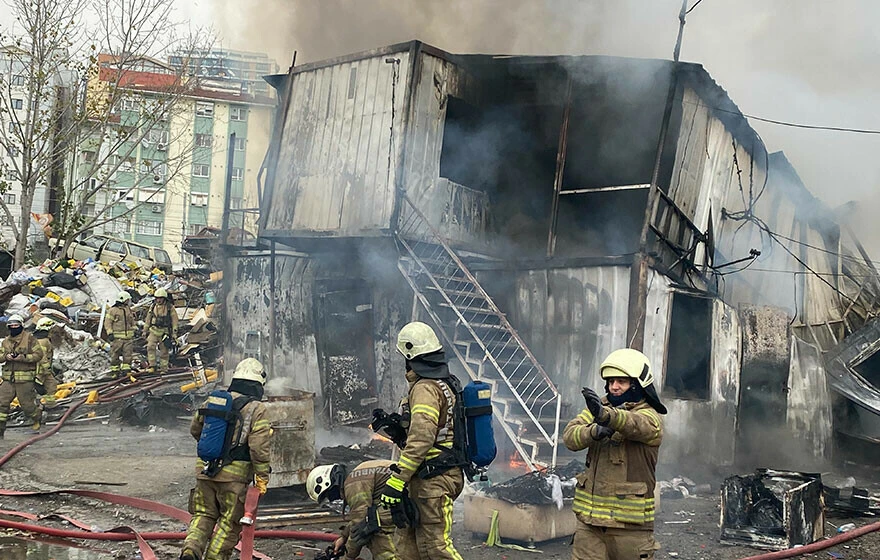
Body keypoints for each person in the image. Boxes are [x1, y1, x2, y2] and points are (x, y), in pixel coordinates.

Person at [563, 348, 666, 560]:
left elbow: (635, 424)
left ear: (636, 384)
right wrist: (594, 430)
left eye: (621, 381)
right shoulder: (598, 408)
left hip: (630, 528)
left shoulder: (650, 416)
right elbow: (570, 436)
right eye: (611, 381)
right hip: (589, 526)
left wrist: (607, 417)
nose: (614, 387)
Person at [386, 321, 464, 560]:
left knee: (435, 549)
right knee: (409, 547)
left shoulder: (425, 388)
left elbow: (422, 438)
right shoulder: (443, 384)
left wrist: (398, 479)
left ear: (410, 357)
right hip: (426, 478)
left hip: (434, 480)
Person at [180, 357, 272, 560]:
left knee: (203, 515)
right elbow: (259, 448)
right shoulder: (257, 408)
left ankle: (190, 551)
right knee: (229, 523)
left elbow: (195, 429)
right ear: (258, 384)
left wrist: (217, 451)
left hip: (205, 470)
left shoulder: (213, 400)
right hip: (234, 478)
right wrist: (262, 477)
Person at [306, 461, 400, 560]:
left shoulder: (352, 485)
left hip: (403, 500)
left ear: (328, 483)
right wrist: (344, 537)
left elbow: (362, 526)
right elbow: (362, 516)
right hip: (408, 496)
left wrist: (348, 556)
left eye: (328, 496)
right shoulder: (355, 475)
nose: (332, 499)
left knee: (374, 532)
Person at [0, 314, 44, 436]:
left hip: (24, 381)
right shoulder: (5, 342)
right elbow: (0, 356)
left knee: (27, 406)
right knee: (1, 404)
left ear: (21, 326)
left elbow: (38, 355)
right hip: (8, 379)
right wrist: (5, 357)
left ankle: (37, 417)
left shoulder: (30, 339)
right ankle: (0, 429)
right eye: (11, 325)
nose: (14, 327)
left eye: (16, 325)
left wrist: (22, 357)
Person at [144, 287, 177, 373]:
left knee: (164, 351)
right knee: (150, 347)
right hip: (153, 330)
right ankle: (152, 366)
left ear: (164, 298)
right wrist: (145, 330)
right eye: (157, 298)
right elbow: (148, 319)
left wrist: (174, 333)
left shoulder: (170, 307)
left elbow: (174, 320)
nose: (158, 300)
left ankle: (164, 369)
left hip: (164, 332)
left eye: (160, 298)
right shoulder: (153, 306)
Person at [105, 291, 136, 377]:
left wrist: (134, 328)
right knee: (115, 355)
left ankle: (126, 371)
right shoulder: (112, 310)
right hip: (117, 339)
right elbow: (108, 323)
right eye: (127, 299)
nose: (128, 301)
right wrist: (109, 333)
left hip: (128, 338)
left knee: (128, 355)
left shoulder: (128, 309)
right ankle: (115, 371)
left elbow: (131, 321)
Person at [33, 318, 59, 408]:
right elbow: (41, 356)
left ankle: (50, 405)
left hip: (42, 370)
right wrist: (48, 368)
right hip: (39, 371)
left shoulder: (44, 339)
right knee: (37, 389)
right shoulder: (42, 341)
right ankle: (36, 406)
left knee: (51, 385)